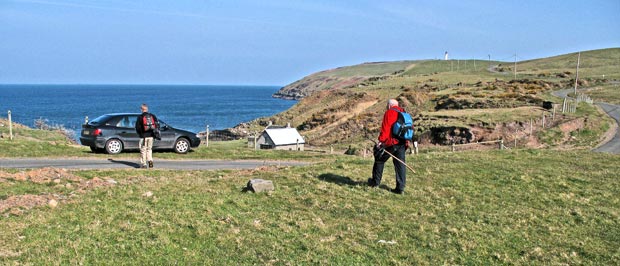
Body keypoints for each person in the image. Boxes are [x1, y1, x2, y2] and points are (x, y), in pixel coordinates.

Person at [368, 99, 408, 194]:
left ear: (389, 105)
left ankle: (375, 183)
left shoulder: (389, 112)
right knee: (400, 164)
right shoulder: (404, 112)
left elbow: (386, 128)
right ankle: (400, 188)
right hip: (402, 142)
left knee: (379, 159)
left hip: (391, 142)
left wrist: (381, 142)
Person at [135, 104, 159, 169]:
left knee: (143, 150)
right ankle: (150, 162)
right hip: (151, 136)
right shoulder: (153, 116)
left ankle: (144, 164)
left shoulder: (140, 117)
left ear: (141, 109)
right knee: (149, 149)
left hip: (143, 136)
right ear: (147, 109)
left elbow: (137, 127)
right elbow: (157, 125)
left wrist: (140, 134)